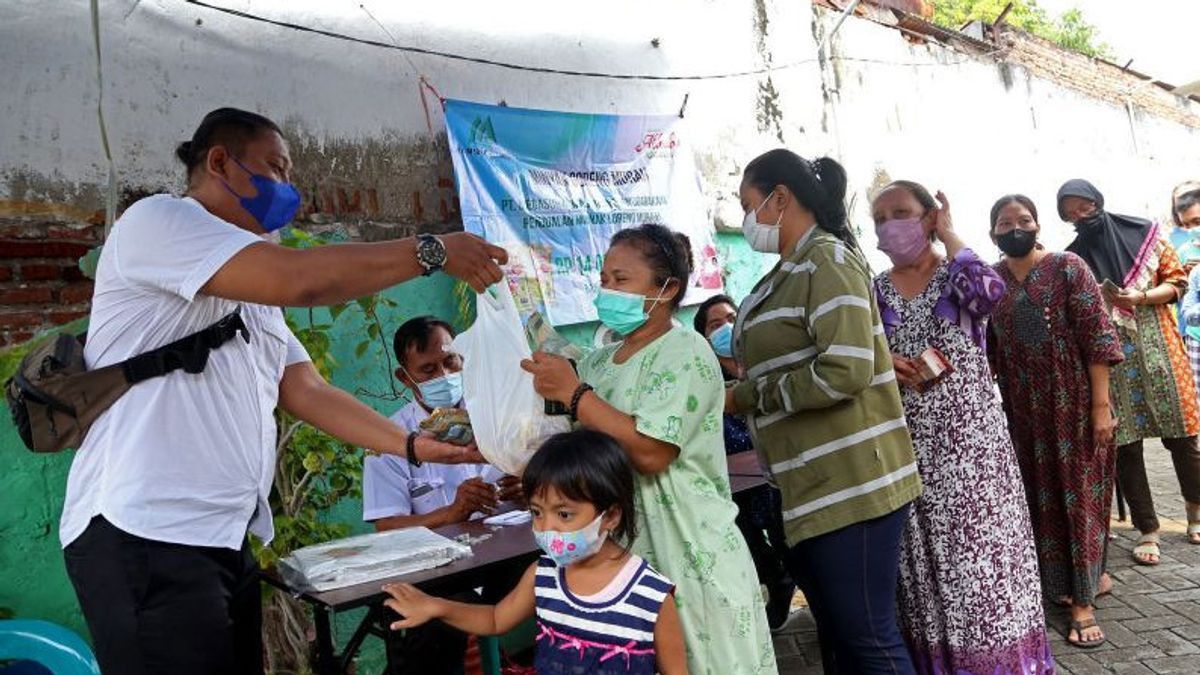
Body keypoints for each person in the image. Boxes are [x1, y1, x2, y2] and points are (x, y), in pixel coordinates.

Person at [59, 107, 507, 675]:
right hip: (144, 533)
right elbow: (303, 279)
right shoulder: (159, 222)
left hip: (219, 537)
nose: (288, 190)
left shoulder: (250, 290)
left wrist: (416, 446)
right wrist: (432, 251)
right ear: (219, 162)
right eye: (276, 169)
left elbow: (306, 389)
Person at [521, 224, 777, 673]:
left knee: (705, 661)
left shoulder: (685, 352)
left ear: (668, 288)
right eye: (603, 280)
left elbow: (652, 453)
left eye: (621, 280)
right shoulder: (600, 361)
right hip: (625, 551)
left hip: (686, 547)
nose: (608, 291)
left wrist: (576, 394)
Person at [725, 149, 922, 675]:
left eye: (749, 205)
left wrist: (746, 396)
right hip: (811, 484)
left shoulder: (826, 260)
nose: (747, 219)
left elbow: (846, 371)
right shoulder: (784, 273)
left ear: (780, 198)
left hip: (852, 484)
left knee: (869, 640)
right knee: (840, 638)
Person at [870, 182, 1052, 668]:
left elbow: (991, 296)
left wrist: (949, 234)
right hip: (907, 442)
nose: (891, 224)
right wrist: (884, 359)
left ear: (929, 217)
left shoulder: (960, 274)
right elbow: (861, 352)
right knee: (926, 562)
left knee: (980, 558)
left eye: (902, 212)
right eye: (881, 217)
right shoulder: (875, 289)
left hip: (972, 444)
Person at [382, 429, 688, 675]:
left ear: (609, 515)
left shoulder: (651, 595)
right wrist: (436, 606)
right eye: (537, 512)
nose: (547, 527)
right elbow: (494, 620)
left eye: (564, 514)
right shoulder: (543, 575)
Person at [988, 193, 1123, 648]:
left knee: (1079, 498)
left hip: (1073, 402)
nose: (1015, 228)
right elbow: (986, 349)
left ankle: (1082, 603)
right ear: (993, 234)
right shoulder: (993, 280)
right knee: (1037, 499)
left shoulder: (1068, 267)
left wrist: (1100, 406)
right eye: (1005, 223)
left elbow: (1097, 337)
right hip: (1022, 409)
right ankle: (1064, 582)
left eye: (1023, 220)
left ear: (1038, 225)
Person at [363, 316, 526, 674]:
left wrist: (531, 489)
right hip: (439, 575)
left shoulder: (499, 419)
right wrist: (452, 514)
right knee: (433, 622)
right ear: (404, 378)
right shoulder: (389, 441)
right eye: (427, 369)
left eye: (450, 361)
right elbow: (386, 528)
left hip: (505, 562)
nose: (443, 375)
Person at [1058, 179, 1200, 562]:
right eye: (1070, 212)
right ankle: (1148, 528)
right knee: (1125, 446)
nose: (1080, 215)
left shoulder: (1147, 236)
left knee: (1184, 436)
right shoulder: (1074, 259)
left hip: (1162, 352)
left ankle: (1195, 512)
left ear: (1097, 201)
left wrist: (1139, 297)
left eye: (1084, 206)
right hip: (1113, 362)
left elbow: (1177, 282)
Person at [692, 294, 795, 630]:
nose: (726, 327)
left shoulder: (763, 364)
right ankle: (777, 584)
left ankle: (803, 591)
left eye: (731, 317)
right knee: (750, 548)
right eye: (715, 324)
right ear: (705, 338)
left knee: (789, 543)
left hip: (775, 478)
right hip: (732, 486)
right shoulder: (704, 379)